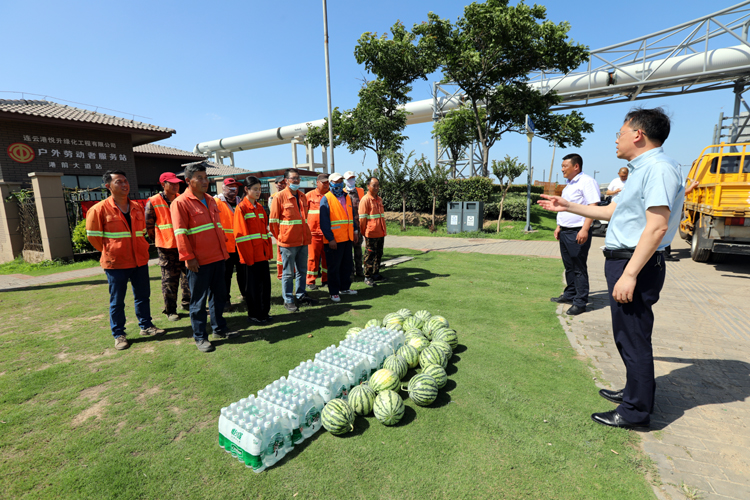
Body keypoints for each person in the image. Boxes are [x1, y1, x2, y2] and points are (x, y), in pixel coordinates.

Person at [538, 107, 685, 429]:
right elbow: (615, 210)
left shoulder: (658, 168)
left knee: (632, 338)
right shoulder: (643, 168)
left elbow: (657, 227)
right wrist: (568, 205)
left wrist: (630, 274)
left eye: (619, 133)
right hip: (628, 260)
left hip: (635, 263)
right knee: (628, 335)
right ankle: (634, 391)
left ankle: (636, 411)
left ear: (638, 134)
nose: (615, 140)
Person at [86, 170, 165, 350]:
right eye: (119, 182)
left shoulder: (137, 207)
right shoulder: (98, 209)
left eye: (125, 181)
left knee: (143, 296)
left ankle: (146, 326)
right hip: (116, 264)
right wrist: (111, 251)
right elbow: (93, 238)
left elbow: (143, 232)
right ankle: (119, 334)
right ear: (108, 186)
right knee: (117, 301)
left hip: (139, 260)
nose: (124, 185)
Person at [171, 161, 231, 352]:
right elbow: (180, 233)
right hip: (199, 261)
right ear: (188, 181)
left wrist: (224, 252)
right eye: (200, 178)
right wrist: (188, 257)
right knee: (198, 301)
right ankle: (200, 337)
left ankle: (219, 328)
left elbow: (217, 228)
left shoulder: (211, 200)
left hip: (218, 257)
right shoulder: (180, 203)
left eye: (206, 177)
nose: (205, 181)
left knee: (219, 296)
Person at [550, 153, 601, 316]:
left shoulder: (587, 182)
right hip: (565, 230)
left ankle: (580, 302)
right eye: (562, 166)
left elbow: (593, 206)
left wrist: (585, 229)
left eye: (565, 166)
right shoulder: (569, 184)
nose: (562, 169)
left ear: (576, 166)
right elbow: (565, 207)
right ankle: (570, 294)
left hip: (578, 230)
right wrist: (559, 226)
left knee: (578, 267)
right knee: (569, 266)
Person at [269, 168, 318, 312]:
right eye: (293, 178)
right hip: (288, 243)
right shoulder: (279, 197)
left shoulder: (302, 196)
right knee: (288, 273)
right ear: (286, 181)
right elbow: (273, 222)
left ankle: (301, 295)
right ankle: (288, 299)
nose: (296, 181)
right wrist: (281, 237)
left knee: (302, 271)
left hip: (303, 241)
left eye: (298, 178)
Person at [145, 172, 191, 322]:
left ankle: (188, 304)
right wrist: (160, 238)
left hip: (184, 244)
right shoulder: (153, 201)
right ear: (163, 185)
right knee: (169, 280)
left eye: (177, 183)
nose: (175, 185)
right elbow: (149, 227)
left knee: (188, 277)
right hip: (166, 248)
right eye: (171, 183)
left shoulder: (181, 199)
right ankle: (171, 310)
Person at [234, 176, 274, 325]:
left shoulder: (260, 208)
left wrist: (268, 253)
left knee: (265, 287)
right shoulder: (241, 208)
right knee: (253, 288)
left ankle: (264, 313)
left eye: (260, 189)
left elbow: (264, 233)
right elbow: (241, 236)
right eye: (255, 189)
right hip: (250, 258)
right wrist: (248, 258)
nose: (258, 192)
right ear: (246, 190)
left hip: (262, 255)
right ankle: (254, 314)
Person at [319, 172, 358, 302]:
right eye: (336, 181)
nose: (339, 183)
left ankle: (344, 287)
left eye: (340, 181)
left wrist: (355, 232)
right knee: (334, 268)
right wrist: (331, 239)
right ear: (330, 183)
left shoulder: (347, 197)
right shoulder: (326, 198)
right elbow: (324, 222)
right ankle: (334, 292)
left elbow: (351, 217)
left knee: (347, 265)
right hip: (334, 241)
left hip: (347, 238)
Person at [215, 178, 247, 309]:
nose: (233, 190)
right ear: (223, 187)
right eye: (230, 187)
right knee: (225, 276)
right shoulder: (215, 202)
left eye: (235, 187)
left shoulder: (241, 202)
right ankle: (225, 300)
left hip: (240, 245)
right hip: (225, 246)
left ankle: (246, 296)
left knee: (243, 273)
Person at [358, 176, 387, 287]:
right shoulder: (365, 200)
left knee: (378, 254)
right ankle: (368, 276)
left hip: (380, 232)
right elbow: (362, 219)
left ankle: (376, 274)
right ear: (368, 186)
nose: (376, 187)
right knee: (369, 255)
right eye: (373, 185)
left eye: (378, 185)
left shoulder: (379, 199)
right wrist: (364, 232)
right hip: (371, 233)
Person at [305, 174, 329, 291]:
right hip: (313, 234)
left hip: (327, 233)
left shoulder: (330, 196)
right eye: (323, 182)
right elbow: (303, 215)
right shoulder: (309, 196)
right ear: (317, 183)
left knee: (327, 258)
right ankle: (310, 281)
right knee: (312, 258)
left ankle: (326, 280)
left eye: (327, 183)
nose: (326, 185)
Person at [344, 171, 364, 279]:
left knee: (358, 249)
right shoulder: (342, 192)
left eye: (352, 178)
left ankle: (359, 271)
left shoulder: (360, 191)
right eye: (349, 179)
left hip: (358, 225)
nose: (351, 181)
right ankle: (350, 272)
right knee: (348, 251)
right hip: (347, 227)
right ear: (345, 180)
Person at [270, 175, 287, 281]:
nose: (281, 185)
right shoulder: (273, 197)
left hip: (289, 230)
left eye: (282, 183)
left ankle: (291, 271)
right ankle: (281, 274)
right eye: (279, 183)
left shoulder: (289, 195)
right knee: (280, 253)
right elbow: (273, 216)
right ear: (275, 185)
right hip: (280, 229)